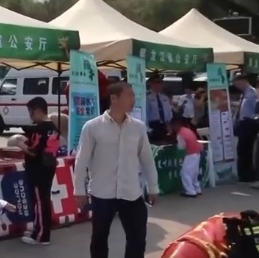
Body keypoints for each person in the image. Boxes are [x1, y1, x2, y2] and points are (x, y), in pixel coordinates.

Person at [73, 82, 158, 258]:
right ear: (114, 98)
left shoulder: (138, 127)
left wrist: (153, 187)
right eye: (129, 95)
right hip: (102, 193)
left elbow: (147, 159)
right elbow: (81, 160)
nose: (133, 99)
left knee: (137, 239)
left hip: (131, 192)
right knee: (99, 238)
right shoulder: (93, 127)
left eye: (133, 95)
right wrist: (79, 190)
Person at [17, 97, 60, 245]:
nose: (30, 115)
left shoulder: (41, 129)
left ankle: (41, 235)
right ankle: (39, 229)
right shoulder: (53, 127)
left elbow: (34, 151)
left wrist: (21, 146)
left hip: (38, 170)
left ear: (36, 111)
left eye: (30, 112)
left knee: (40, 202)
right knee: (43, 200)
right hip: (48, 168)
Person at [169, 116, 203, 197]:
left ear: (175, 125)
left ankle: (190, 191)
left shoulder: (180, 134)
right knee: (194, 173)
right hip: (197, 152)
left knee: (185, 173)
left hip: (191, 153)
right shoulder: (187, 130)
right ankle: (197, 189)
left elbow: (181, 147)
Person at [233, 73, 258, 183]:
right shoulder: (244, 94)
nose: (237, 86)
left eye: (237, 84)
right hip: (243, 124)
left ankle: (248, 175)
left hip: (249, 123)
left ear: (243, 81)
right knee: (242, 150)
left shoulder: (252, 93)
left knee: (246, 150)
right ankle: (243, 175)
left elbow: (255, 109)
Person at [146, 75, 173, 141]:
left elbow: (168, 112)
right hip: (152, 126)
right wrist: (148, 129)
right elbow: (145, 114)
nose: (160, 85)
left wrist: (168, 125)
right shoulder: (147, 97)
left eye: (161, 83)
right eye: (157, 83)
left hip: (164, 126)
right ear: (152, 84)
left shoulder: (164, 97)